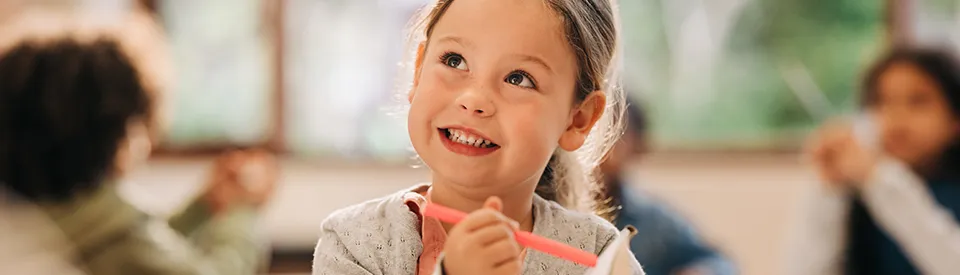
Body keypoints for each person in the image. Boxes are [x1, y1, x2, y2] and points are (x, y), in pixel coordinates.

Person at [312, 0, 645, 274]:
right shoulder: (352, 242)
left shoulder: (599, 256)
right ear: (418, 69)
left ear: (578, 119)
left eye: (519, 79)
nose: (473, 100)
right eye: (454, 60)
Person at [0, 15, 278, 275]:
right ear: (113, 128)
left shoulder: (39, 217)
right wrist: (241, 212)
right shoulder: (116, 236)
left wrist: (203, 207)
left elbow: (149, 252)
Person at [787, 47, 960, 275]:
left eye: (918, 102)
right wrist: (829, 191)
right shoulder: (858, 193)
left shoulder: (882, 183)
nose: (897, 119)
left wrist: (881, 181)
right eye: (882, 102)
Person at [598, 99, 737, 275]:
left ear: (638, 147)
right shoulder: (559, 210)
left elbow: (719, 263)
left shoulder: (652, 220)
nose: (604, 147)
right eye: (598, 132)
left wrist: (700, 270)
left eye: (617, 135)